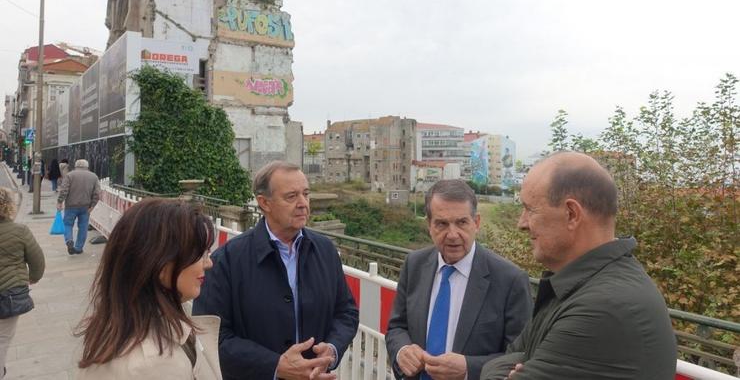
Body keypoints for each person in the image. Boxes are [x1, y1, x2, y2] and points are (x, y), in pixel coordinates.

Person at [481, 152, 677, 380]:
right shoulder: (579, 286)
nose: (521, 223)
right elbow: (502, 362)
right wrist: (507, 366)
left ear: (572, 214)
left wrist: (515, 364)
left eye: (530, 209)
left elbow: (501, 367)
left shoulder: (603, 307)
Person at [193, 161, 359, 380]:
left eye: (306, 194)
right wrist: (275, 365)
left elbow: (346, 312)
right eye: (291, 197)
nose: (303, 204)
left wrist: (332, 349)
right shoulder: (227, 260)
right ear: (264, 203)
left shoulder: (325, 250)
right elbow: (211, 334)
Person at [386, 179, 532, 380]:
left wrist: (468, 369)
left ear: (476, 223)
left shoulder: (510, 280)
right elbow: (397, 327)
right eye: (442, 224)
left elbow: (520, 356)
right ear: (429, 225)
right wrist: (402, 351)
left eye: (462, 222)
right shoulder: (414, 264)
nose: (453, 234)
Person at [76, 198, 222, 379]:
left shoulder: (125, 324)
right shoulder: (156, 364)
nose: (209, 263)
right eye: (200, 254)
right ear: (160, 264)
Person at [0, 187, 45, 380]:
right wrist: (33, 277)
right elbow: (37, 262)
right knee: (2, 339)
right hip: (9, 295)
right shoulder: (20, 231)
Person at [57, 159, 100, 255]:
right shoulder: (93, 176)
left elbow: (64, 190)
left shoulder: (70, 175)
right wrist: (92, 205)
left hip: (71, 206)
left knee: (67, 224)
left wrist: (60, 202)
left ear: (76, 166)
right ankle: (78, 248)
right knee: (83, 227)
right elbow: (97, 193)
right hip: (86, 207)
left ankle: (69, 240)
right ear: (87, 166)